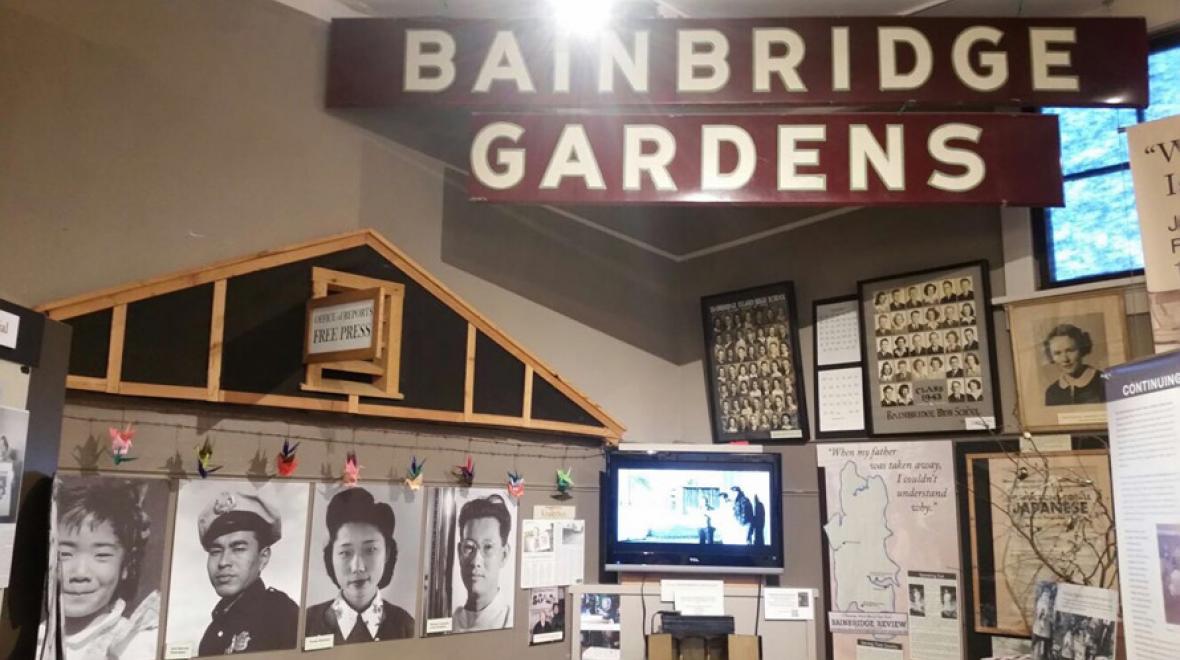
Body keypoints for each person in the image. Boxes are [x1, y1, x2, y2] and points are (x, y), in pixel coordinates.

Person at [56, 478, 160, 659]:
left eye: (102, 555)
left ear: (126, 566)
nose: (80, 573)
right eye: (64, 554)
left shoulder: (135, 643)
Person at [305, 488, 414, 645]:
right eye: (345, 552)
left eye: (370, 550)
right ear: (331, 556)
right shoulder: (307, 622)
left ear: (387, 553)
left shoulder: (405, 626)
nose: (358, 567)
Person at [197, 489, 299, 655]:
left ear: (263, 557)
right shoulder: (214, 629)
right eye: (215, 551)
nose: (223, 562)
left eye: (238, 549)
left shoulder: (282, 616)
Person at [453, 495, 513, 632]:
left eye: (488, 547)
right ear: (459, 553)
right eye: (469, 547)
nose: (476, 561)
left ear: (504, 555)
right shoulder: (451, 622)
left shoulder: (510, 622)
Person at [1043, 324, 1106, 406]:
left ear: (1082, 349)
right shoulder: (1052, 393)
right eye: (1057, 353)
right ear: (1051, 356)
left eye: (1070, 350)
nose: (1065, 359)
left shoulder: (1105, 382)